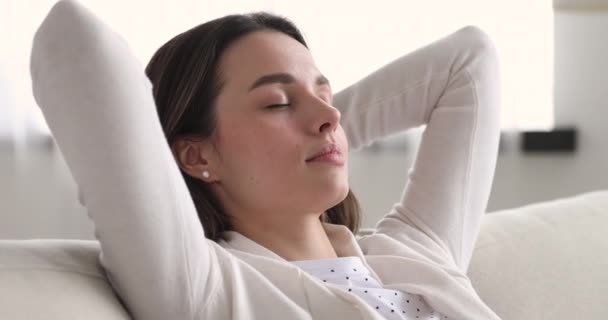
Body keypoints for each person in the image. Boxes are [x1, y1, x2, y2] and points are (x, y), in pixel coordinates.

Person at [31, 1, 502, 319]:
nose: (330, 113)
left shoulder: (414, 251)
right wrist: (298, 144)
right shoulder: (209, 287)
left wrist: (314, 136)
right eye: (277, 101)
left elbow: (469, 61)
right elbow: (73, 40)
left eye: (325, 92)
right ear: (196, 156)